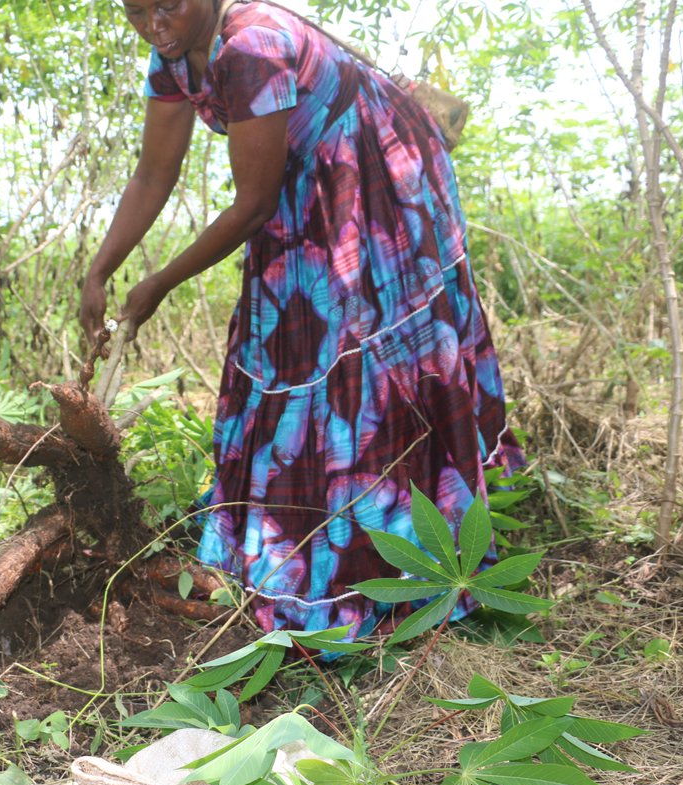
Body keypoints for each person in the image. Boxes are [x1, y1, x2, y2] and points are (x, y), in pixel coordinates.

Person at [80, 0, 523, 639]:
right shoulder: (173, 54)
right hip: (301, 181)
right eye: (137, 9)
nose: (154, 21)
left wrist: (156, 285)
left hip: (375, 176)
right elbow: (155, 171)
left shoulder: (253, 48)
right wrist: (100, 269)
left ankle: (378, 564)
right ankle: (289, 532)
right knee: (282, 351)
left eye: (167, 5)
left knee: (358, 366)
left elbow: (254, 204)